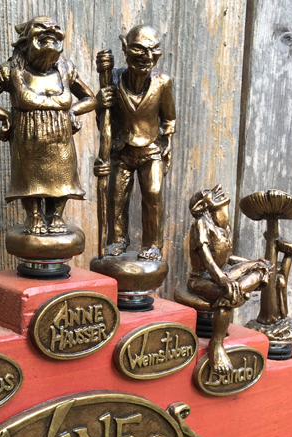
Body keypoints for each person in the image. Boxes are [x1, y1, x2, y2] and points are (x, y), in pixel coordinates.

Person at [0, 16, 96, 235]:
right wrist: (6, 116)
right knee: (29, 180)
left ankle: (56, 216)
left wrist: (72, 111)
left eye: (55, 31)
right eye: (41, 30)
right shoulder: (11, 70)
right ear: (25, 41)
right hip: (27, 136)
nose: (50, 32)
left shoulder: (66, 69)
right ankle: (34, 215)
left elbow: (90, 99)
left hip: (60, 137)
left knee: (62, 177)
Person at [96, 25, 175, 261]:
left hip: (151, 149)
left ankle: (153, 245)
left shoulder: (163, 83)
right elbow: (103, 120)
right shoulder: (113, 79)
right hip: (122, 150)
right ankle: (117, 240)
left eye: (154, 50)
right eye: (139, 49)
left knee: (153, 193)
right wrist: (100, 103)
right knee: (116, 197)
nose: (147, 57)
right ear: (125, 48)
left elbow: (169, 118)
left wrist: (168, 142)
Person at [186, 186, 271, 373]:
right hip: (201, 279)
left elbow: (229, 258)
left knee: (262, 269)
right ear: (205, 208)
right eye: (221, 207)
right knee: (229, 293)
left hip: (224, 273)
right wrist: (223, 280)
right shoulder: (200, 224)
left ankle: (239, 289)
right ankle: (216, 343)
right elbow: (207, 259)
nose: (226, 212)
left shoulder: (224, 227)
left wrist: (251, 263)